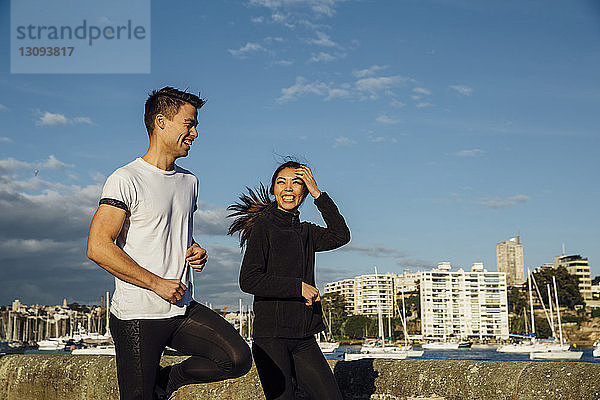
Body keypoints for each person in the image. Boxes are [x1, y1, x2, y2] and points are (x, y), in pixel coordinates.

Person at [87, 87, 251, 400]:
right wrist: (156, 283)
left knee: (236, 358)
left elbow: (168, 231)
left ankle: (166, 381)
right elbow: (98, 245)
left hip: (180, 307)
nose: (195, 132)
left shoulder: (190, 181)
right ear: (161, 122)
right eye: (189, 124)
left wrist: (193, 248)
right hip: (137, 315)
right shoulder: (126, 178)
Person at [228, 160, 350, 400]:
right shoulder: (263, 226)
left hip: (304, 337)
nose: (288, 188)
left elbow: (341, 235)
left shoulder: (307, 232)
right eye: (281, 182)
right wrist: (298, 288)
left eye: (297, 183)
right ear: (274, 189)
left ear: (303, 191)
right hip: (271, 338)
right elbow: (249, 279)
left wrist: (318, 194)